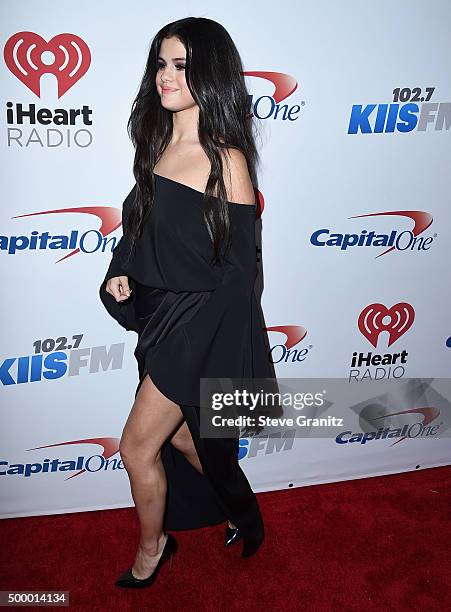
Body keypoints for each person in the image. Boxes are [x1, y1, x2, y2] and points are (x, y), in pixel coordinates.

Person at [99, 17, 278, 589]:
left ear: (211, 74)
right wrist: (121, 269)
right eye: (161, 63)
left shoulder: (227, 159)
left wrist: (210, 352)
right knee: (184, 437)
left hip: (198, 327)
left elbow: (241, 274)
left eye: (181, 65)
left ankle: (153, 550)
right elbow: (140, 230)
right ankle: (243, 512)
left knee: (135, 447)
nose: (165, 77)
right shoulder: (154, 144)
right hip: (159, 316)